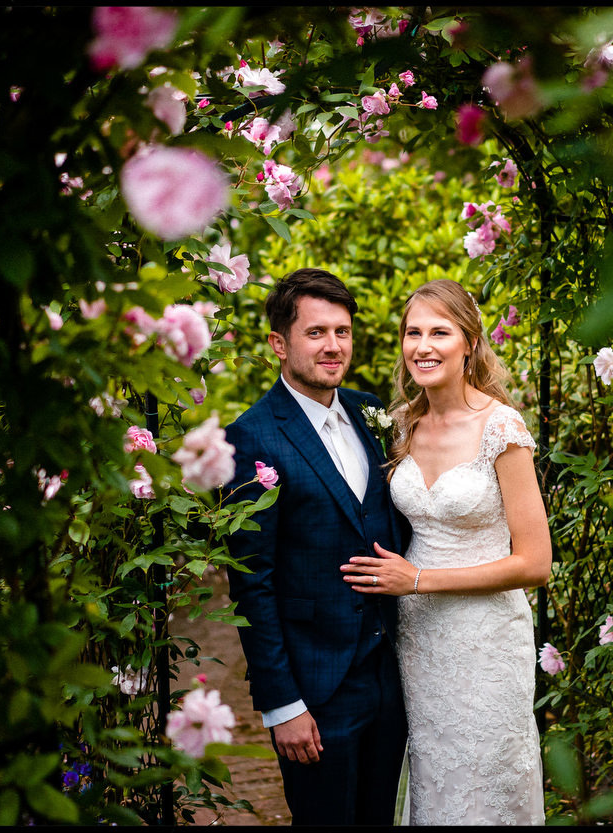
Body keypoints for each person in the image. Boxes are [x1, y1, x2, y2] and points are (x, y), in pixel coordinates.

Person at [340, 278, 552, 825]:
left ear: (469, 343)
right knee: (434, 774)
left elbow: (535, 563)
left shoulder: (501, 428)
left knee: (486, 777)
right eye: (413, 333)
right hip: (418, 640)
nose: (423, 346)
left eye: (440, 332)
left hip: (486, 639)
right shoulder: (403, 424)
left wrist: (417, 580)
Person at [222, 268, 409, 826]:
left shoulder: (369, 411)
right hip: (317, 690)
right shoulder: (251, 437)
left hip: (389, 679)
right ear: (279, 344)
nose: (334, 346)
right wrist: (283, 706)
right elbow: (251, 583)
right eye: (316, 333)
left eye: (343, 332)